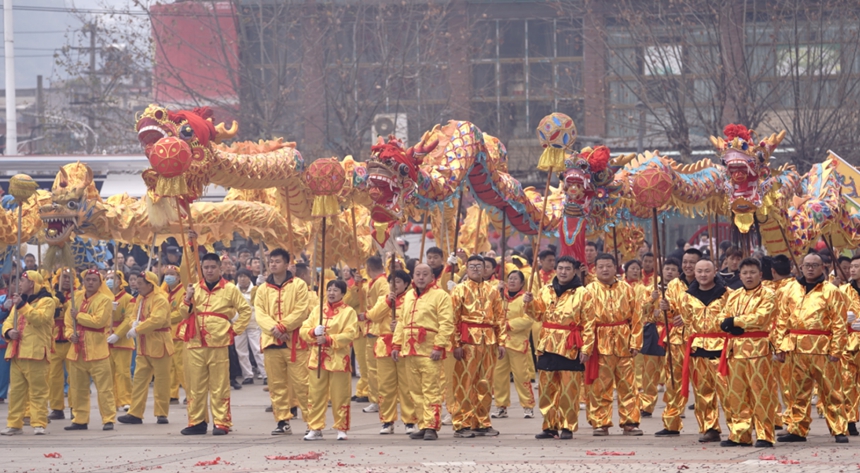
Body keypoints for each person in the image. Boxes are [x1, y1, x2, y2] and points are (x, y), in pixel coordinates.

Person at [775, 252, 849, 443]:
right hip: (796, 348)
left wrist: (836, 350)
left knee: (831, 391)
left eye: (814, 265)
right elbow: (781, 320)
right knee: (797, 392)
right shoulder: (790, 289)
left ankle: (839, 428)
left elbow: (839, 324)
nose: (810, 268)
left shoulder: (832, 291)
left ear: (822, 267)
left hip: (822, 349)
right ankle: (797, 429)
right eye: (807, 265)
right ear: (800, 266)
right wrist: (780, 346)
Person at [179, 253, 252, 436]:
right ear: (201, 269)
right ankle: (196, 421)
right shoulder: (194, 288)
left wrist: (234, 330)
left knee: (219, 384)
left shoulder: (230, 289)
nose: (209, 270)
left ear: (220, 268)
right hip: (195, 342)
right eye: (206, 267)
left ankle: (221, 422)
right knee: (195, 384)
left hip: (218, 342)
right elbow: (183, 314)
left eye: (213, 267)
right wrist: (187, 299)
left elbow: (245, 311)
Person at [525, 256, 593, 439]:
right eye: (560, 268)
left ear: (574, 271)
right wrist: (528, 302)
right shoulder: (545, 291)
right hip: (547, 343)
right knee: (547, 388)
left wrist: (586, 348)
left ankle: (567, 426)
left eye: (567, 269)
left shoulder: (583, 293)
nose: (563, 272)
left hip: (571, 345)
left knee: (569, 389)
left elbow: (589, 323)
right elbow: (536, 315)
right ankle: (549, 426)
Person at [391, 263, 455, 441]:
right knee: (415, 391)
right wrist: (396, 345)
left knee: (431, 390)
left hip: (429, 350)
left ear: (432, 276)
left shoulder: (441, 295)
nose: (420, 277)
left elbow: (447, 323)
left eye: (424, 274)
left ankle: (432, 426)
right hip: (410, 350)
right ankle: (422, 423)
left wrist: (439, 346)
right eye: (417, 274)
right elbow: (402, 322)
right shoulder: (409, 295)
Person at [718, 257, 777, 447]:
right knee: (737, 394)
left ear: (760, 274)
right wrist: (727, 324)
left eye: (752, 272)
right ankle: (740, 434)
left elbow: (761, 317)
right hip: (735, 349)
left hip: (758, 349)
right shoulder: (734, 295)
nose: (749, 276)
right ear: (740, 275)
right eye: (745, 273)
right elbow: (723, 315)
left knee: (761, 393)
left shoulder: (768, 294)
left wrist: (736, 322)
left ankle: (765, 434)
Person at [584, 253, 643, 436]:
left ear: (616, 267)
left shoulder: (627, 289)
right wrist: (586, 346)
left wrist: (636, 341)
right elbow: (584, 320)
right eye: (600, 266)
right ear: (594, 268)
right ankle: (600, 422)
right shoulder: (588, 290)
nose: (604, 269)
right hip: (599, 343)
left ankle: (630, 422)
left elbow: (637, 317)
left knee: (628, 385)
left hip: (623, 341)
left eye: (608, 266)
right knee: (600, 386)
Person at [254, 248, 310, 435]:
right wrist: (275, 330)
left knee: (302, 384)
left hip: (295, 342)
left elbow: (302, 310)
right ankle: (282, 421)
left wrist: (284, 327)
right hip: (272, 342)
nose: (273, 264)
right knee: (276, 385)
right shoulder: (262, 289)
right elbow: (260, 313)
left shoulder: (299, 285)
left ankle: (312, 422)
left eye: (277, 261)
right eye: (271, 261)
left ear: (287, 264)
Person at [449, 255, 505, 438]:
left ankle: (481, 422)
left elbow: (500, 317)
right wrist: (455, 343)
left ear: (486, 269)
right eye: (472, 266)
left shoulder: (493, 290)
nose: (475, 269)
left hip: (488, 340)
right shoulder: (459, 290)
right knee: (465, 383)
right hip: (467, 341)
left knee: (485, 383)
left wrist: (502, 341)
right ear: (466, 267)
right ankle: (461, 423)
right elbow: (453, 319)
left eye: (479, 266)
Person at [679, 259, 731, 443]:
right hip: (698, 348)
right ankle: (710, 428)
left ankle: (738, 428)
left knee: (728, 392)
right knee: (702, 392)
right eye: (699, 271)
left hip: (722, 348)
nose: (702, 274)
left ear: (715, 271)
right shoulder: (687, 296)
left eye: (707, 271)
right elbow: (685, 322)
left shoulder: (727, 294)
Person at [301, 279, 359, 441]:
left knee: (340, 395)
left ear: (343, 293)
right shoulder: (318, 310)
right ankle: (315, 427)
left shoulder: (348, 312)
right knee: (315, 395)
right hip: (317, 359)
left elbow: (350, 334)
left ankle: (341, 427)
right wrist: (313, 331)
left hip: (338, 360)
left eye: (335, 290)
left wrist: (328, 339)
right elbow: (303, 330)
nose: (331, 293)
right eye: (329, 289)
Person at [0, 271, 56, 435]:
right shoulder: (20, 302)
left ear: (32, 283)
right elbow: (8, 322)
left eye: (23, 281)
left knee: (38, 391)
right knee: (16, 392)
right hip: (17, 352)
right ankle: (14, 424)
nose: (20, 284)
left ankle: (39, 422)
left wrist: (22, 306)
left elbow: (38, 319)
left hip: (36, 353)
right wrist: (9, 332)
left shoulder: (47, 301)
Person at [118, 271, 175, 425]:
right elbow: (132, 316)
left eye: (140, 283)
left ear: (150, 284)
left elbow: (157, 320)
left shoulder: (160, 299)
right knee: (138, 381)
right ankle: (135, 413)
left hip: (159, 344)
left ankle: (161, 413)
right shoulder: (140, 299)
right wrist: (133, 324)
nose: (137, 285)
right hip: (143, 346)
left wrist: (137, 329)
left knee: (162, 381)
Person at [655, 249, 701, 437]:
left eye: (692, 262)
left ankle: (709, 426)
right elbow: (668, 314)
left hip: (700, 340)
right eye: (685, 261)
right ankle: (671, 423)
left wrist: (688, 318)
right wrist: (666, 309)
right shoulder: (673, 285)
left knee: (702, 384)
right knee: (673, 381)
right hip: (677, 339)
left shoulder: (708, 284)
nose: (688, 266)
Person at [64, 269, 116, 431]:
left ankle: (108, 419)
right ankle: (79, 419)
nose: (90, 282)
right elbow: (67, 322)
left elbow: (99, 322)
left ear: (100, 282)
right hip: (77, 351)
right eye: (88, 279)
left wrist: (78, 316)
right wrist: (70, 334)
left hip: (98, 351)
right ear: (83, 281)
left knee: (104, 388)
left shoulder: (105, 300)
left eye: (94, 280)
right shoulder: (75, 298)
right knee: (77, 388)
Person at [366, 269, 417, 434]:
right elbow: (373, 316)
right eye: (391, 282)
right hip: (384, 345)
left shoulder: (411, 298)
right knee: (385, 386)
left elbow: (413, 319)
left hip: (403, 344)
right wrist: (388, 302)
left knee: (406, 385)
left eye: (398, 282)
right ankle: (387, 421)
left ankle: (410, 421)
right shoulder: (383, 299)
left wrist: (400, 325)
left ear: (406, 284)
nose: (393, 286)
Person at [491, 270, 536, 420]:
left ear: (522, 283)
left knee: (521, 376)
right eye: (510, 278)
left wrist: (508, 324)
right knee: (499, 377)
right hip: (500, 344)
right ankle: (501, 406)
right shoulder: (499, 297)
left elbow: (528, 319)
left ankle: (528, 406)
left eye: (515, 279)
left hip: (517, 344)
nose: (512, 281)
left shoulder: (525, 299)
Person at [47, 269, 76, 420]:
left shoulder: (77, 294)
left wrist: (64, 303)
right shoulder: (50, 294)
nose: (66, 280)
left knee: (74, 377)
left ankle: (74, 406)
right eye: (64, 277)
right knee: (54, 376)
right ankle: (57, 408)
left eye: (70, 278)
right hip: (54, 339)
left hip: (71, 339)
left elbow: (74, 311)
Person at [362, 256, 389, 415]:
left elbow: (384, 304)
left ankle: (378, 399)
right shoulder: (373, 282)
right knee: (371, 368)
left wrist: (369, 315)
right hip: (370, 328)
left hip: (377, 328)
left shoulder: (382, 283)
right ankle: (375, 398)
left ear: (368, 268)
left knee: (377, 368)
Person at [106, 271, 135, 411]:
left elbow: (129, 319)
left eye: (113, 278)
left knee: (123, 372)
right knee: (108, 372)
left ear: (120, 281)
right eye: (107, 278)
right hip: (105, 338)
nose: (110, 281)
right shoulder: (103, 297)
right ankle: (113, 401)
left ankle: (125, 400)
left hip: (122, 340)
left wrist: (118, 334)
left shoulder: (128, 298)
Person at [234, 269, 266, 385]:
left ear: (249, 278)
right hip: (238, 324)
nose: (242, 279)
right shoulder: (233, 290)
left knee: (258, 349)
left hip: (253, 323)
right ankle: (247, 375)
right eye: (240, 276)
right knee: (241, 351)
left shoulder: (255, 289)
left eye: (245, 276)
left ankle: (265, 374)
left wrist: (260, 285)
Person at [841, 255, 860, 437]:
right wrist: (843, 319)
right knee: (847, 383)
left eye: (856, 267)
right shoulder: (843, 290)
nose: (852, 270)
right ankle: (850, 420)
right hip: (849, 344)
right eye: (851, 266)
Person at [162, 265, 187, 404]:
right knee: (170, 366)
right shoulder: (164, 293)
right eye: (167, 274)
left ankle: (189, 392)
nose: (169, 277)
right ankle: (172, 393)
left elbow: (181, 313)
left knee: (181, 365)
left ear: (178, 277)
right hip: (167, 333)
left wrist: (165, 318)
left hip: (179, 332)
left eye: (172, 274)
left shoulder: (183, 292)